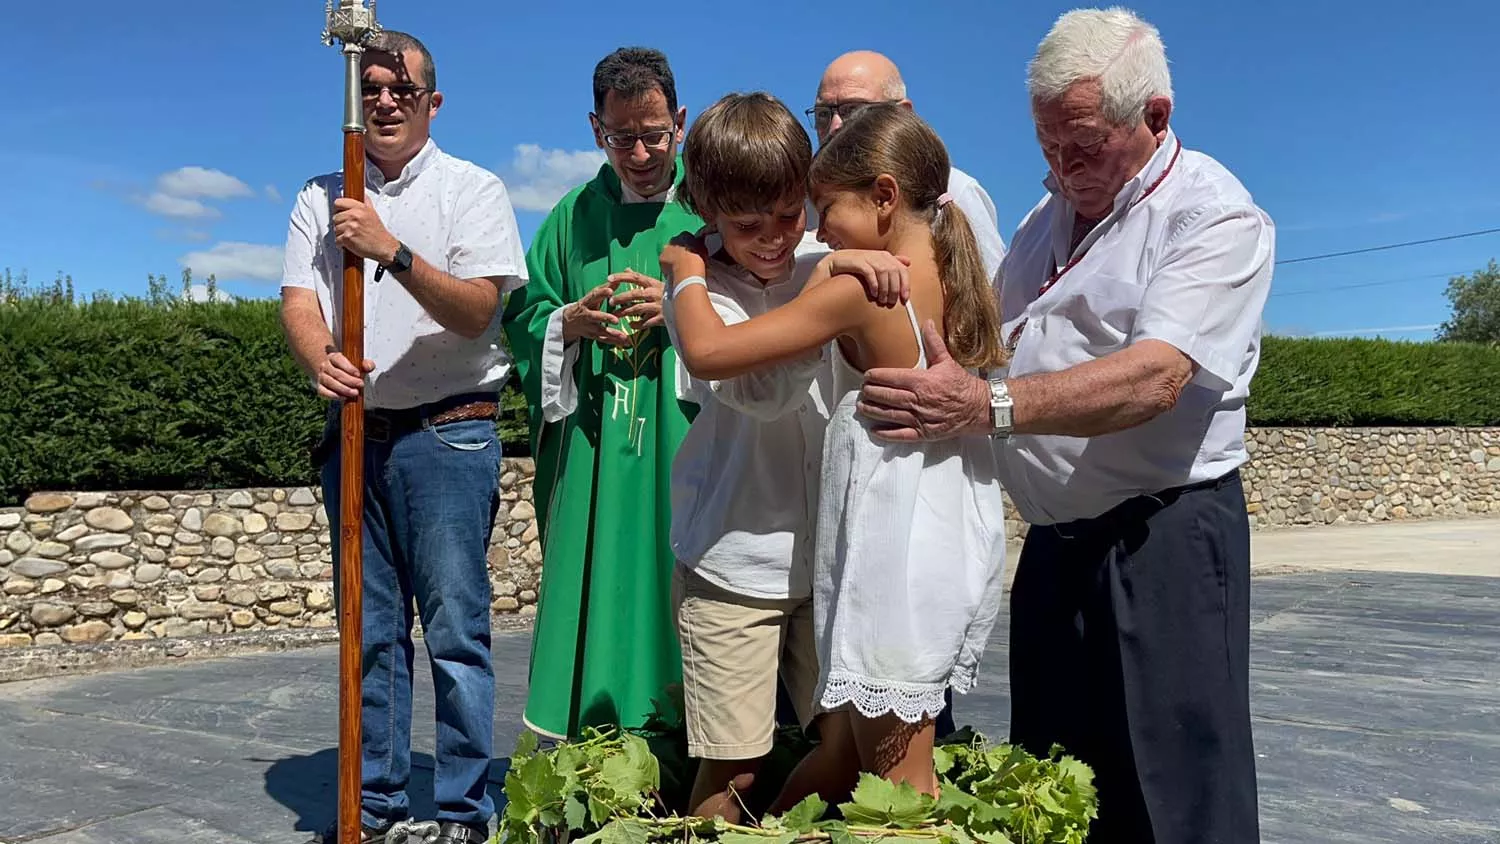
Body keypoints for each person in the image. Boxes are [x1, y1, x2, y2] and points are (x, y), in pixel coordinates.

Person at [854, 9, 1272, 842]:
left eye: (1081, 145)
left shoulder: (1214, 216)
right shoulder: (1044, 222)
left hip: (1163, 541)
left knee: (1178, 787)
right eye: (1047, 145)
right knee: (1057, 782)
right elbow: (988, 342)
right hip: (1057, 551)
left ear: (1154, 116)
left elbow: (1158, 376)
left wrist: (988, 407)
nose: (1061, 166)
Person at [661, 103, 1008, 802]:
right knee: (741, 767)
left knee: (865, 764)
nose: (787, 235)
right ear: (710, 211)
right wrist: (689, 272)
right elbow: (758, 390)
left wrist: (828, 272)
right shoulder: (719, 290)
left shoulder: (844, 268)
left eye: (798, 212)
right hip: (737, 558)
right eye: (746, 225)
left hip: (844, 560)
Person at [279, 30, 527, 844]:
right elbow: (299, 300)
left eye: (401, 90)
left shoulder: (472, 190)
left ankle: (463, 810)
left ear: (432, 102)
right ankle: (375, 806)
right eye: (372, 89)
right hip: (357, 435)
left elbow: (477, 310)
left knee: (456, 629)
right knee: (371, 630)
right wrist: (322, 358)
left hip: (449, 435)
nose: (384, 101)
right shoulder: (321, 196)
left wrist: (389, 249)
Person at [502, 47, 705, 742]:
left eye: (655, 133)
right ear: (597, 130)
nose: (642, 152)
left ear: (680, 120)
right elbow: (524, 317)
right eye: (623, 138)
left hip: (686, 442)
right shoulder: (570, 218)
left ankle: (688, 756)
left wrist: (681, 313)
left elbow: (759, 309)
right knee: (596, 594)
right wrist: (569, 323)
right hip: (593, 445)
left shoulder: (712, 208)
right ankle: (587, 748)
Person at [801, 51, 1007, 284]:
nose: (835, 126)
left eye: (854, 110)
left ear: (903, 113)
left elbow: (995, 296)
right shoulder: (800, 202)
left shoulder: (956, 192)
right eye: (823, 114)